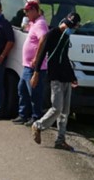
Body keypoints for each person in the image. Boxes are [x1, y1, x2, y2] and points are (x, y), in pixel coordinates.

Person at [32, 12, 81, 151]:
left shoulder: (66, 37)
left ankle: (60, 139)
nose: (70, 29)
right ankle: (38, 125)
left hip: (66, 77)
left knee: (65, 111)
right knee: (57, 108)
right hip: (55, 78)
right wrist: (36, 73)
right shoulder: (52, 34)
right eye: (69, 26)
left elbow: (64, 58)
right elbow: (42, 54)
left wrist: (72, 77)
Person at [13, 0, 48, 126]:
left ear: (34, 10)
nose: (26, 14)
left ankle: (36, 116)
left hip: (35, 66)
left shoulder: (40, 24)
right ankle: (23, 114)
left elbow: (43, 40)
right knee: (22, 89)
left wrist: (36, 59)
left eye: (27, 11)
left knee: (34, 92)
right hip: (27, 65)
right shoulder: (33, 23)